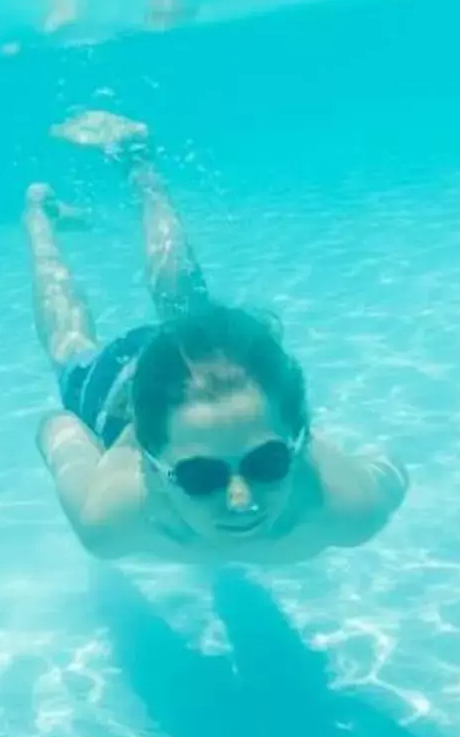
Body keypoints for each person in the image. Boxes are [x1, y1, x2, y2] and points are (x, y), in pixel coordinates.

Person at [23, 111, 405, 563]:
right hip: (116, 395)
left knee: (186, 302)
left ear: (299, 442)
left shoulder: (349, 509)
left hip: (201, 389)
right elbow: (56, 425)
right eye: (199, 477)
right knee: (69, 349)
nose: (241, 500)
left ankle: (139, 164)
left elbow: (394, 472)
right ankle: (40, 221)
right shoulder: (109, 518)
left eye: (267, 463)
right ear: (151, 463)